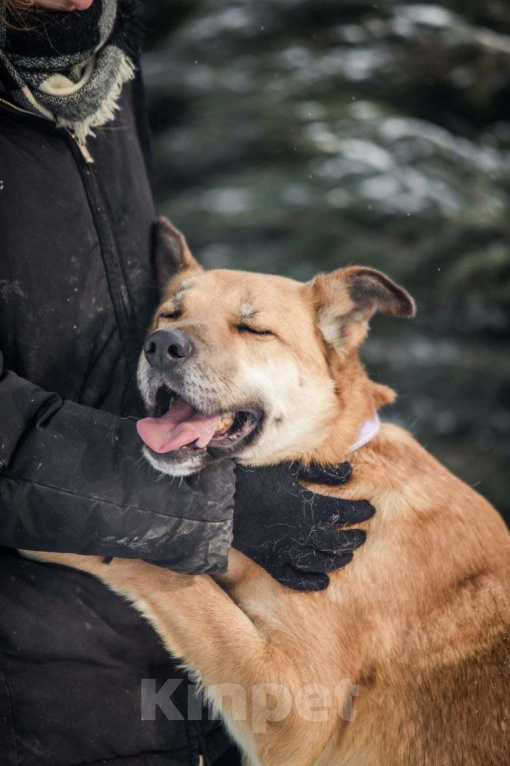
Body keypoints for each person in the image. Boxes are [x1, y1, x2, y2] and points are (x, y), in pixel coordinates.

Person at [0, 1, 375, 764]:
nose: (170, 339)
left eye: (252, 330)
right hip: (39, 691)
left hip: (166, 700)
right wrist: (197, 509)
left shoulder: (108, 63)